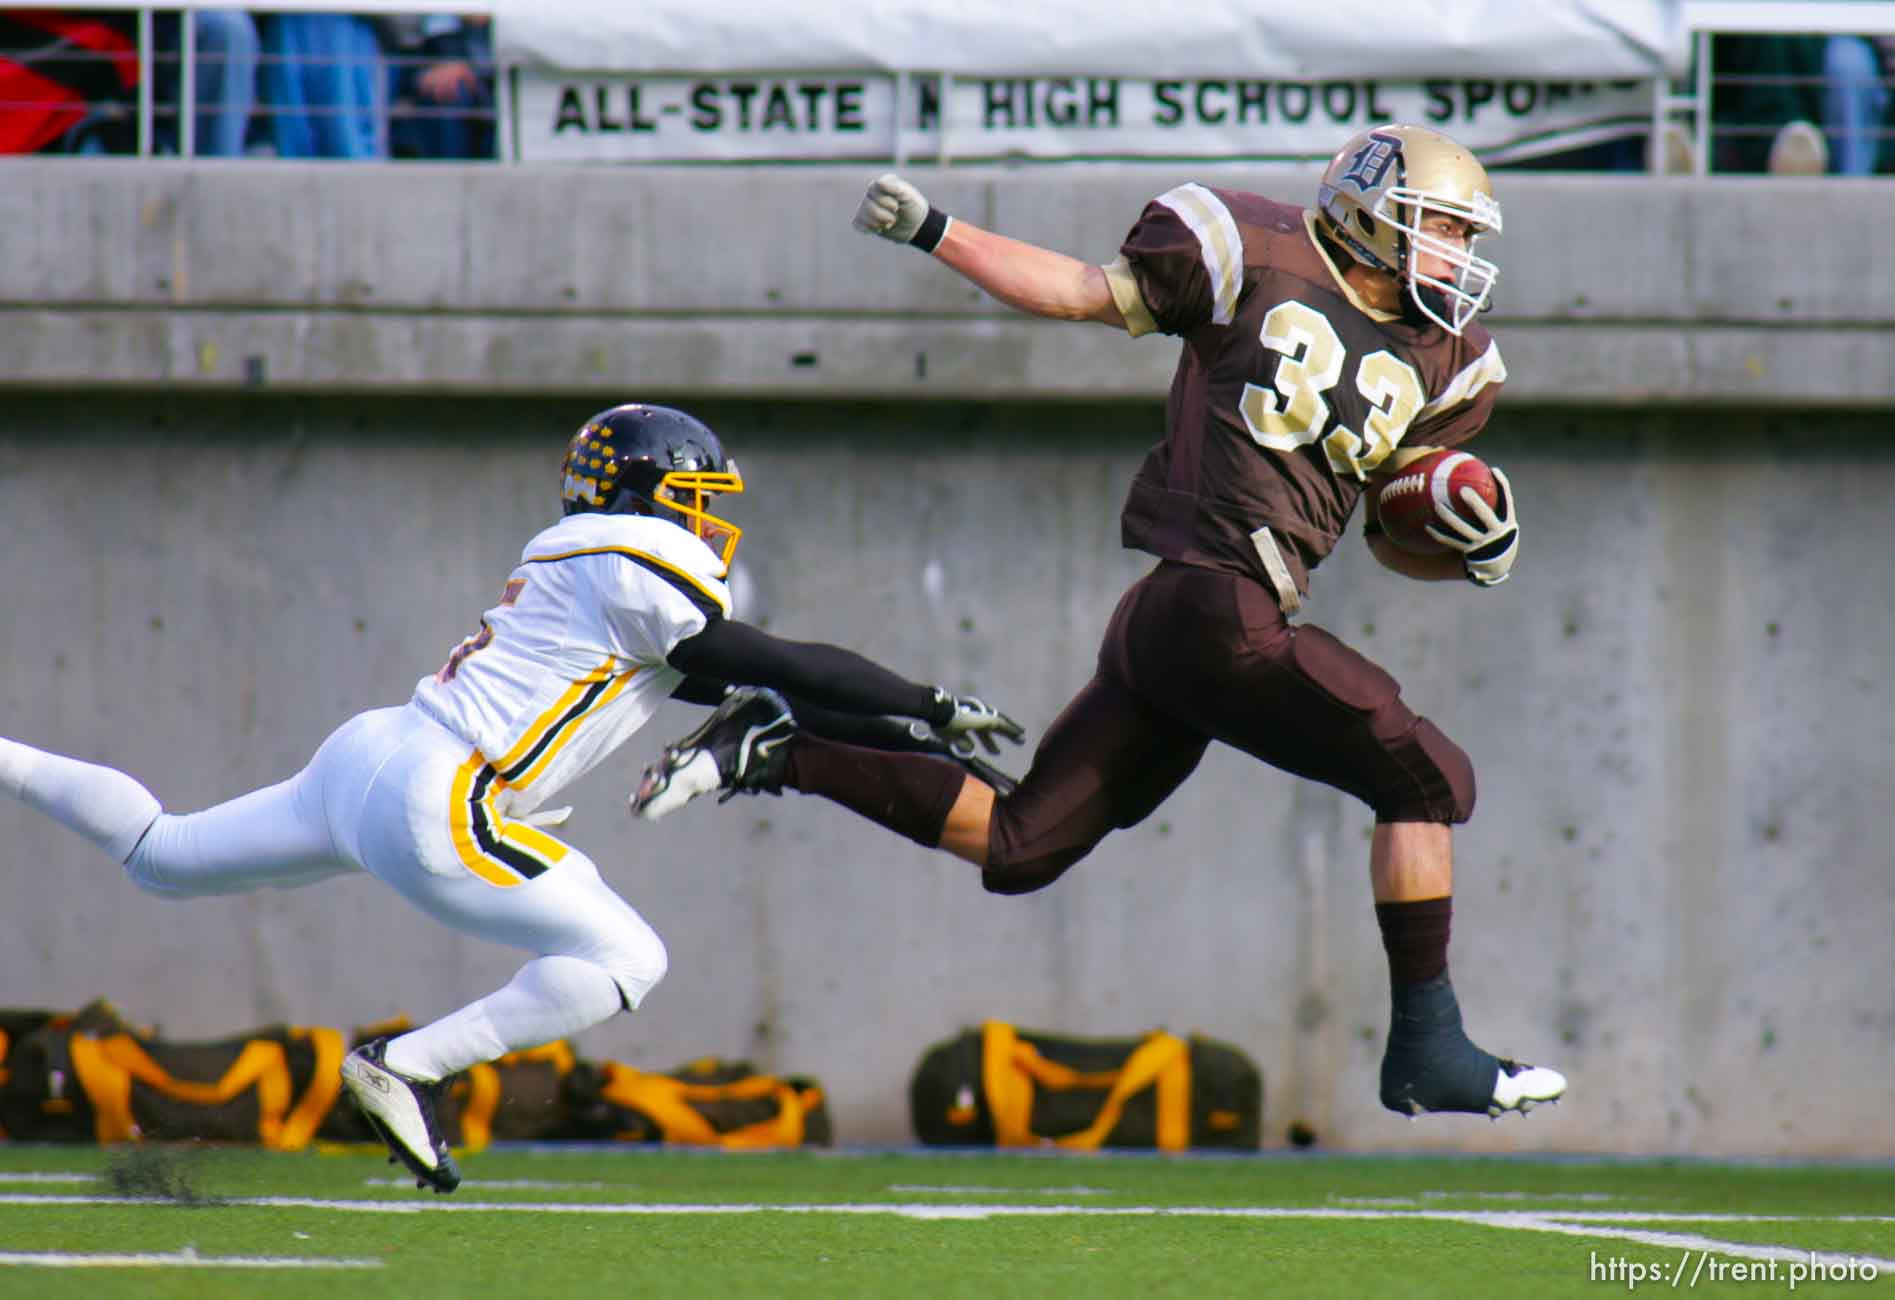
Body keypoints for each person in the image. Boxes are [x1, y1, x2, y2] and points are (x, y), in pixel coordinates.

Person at [635, 125, 1567, 1122]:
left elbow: (1389, 534)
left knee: (1018, 844)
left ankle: (778, 744)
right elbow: (1081, 291)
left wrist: (1474, 543)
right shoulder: (1249, 250)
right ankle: (1426, 1048)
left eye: (1465, 240)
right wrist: (935, 231)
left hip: (1185, 629)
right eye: (1440, 232)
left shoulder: (1448, 362)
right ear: (1371, 213)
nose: (1456, 260)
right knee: (1428, 777)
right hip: (1215, 602)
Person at [0, 404, 1023, 1192]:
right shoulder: (637, 562)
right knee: (628, 959)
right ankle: (406, 1065)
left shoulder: (587, 576)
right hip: (441, 793)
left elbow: (775, 689)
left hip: (372, 753)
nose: (711, 522)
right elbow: (769, 656)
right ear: (651, 497)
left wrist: (915, 728)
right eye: (697, 498)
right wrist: (929, 697)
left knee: (159, 852)